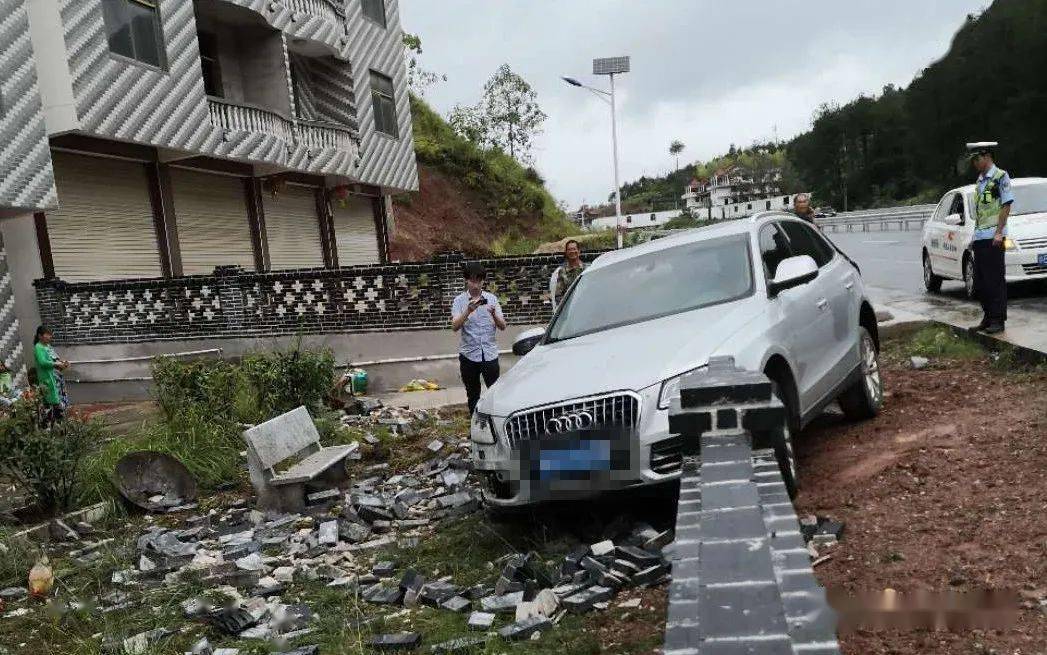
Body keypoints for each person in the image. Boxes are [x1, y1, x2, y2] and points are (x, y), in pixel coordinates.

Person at [967, 142, 1013, 334]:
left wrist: (999, 232)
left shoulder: (1000, 176)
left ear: (986, 157)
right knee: (980, 281)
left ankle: (998, 319)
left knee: (995, 280)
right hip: (980, 237)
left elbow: (1005, 205)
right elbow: (981, 211)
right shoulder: (980, 181)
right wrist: (974, 236)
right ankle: (987, 316)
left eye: (976, 159)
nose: (975, 164)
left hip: (994, 237)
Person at [451, 263, 506, 414]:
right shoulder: (459, 301)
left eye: (479, 280)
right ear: (466, 280)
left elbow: (503, 326)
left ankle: (495, 424)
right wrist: (467, 311)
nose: (475, 284)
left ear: (483, 281)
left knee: (494, 393)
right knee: (473, 394)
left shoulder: (492, 299)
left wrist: (494, 314)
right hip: (468, 354)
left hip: (489, 354)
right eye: (472, 280)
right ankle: (475, 426)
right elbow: (454, 326)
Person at [34, 326, 69, 424]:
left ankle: (60, 427)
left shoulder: (48, 347)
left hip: (57, 379)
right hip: (48, 380)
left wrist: (63, 362)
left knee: (60, 403)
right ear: (40, 336)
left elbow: (56, 359)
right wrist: (56, 364)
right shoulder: (38, 347)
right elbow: (43, 362)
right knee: (51, 405)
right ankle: (50, 428)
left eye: (50, 334)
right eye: (47, 334)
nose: (50, 336)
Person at [549, 239, 587, 306]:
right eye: (569, 249)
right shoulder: (562, 271)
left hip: (586, 307)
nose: (572, 251)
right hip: (569, 309)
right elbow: (558, 296)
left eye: (574, 249)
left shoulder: (587, 270)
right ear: (566, 252)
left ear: (579, 251)